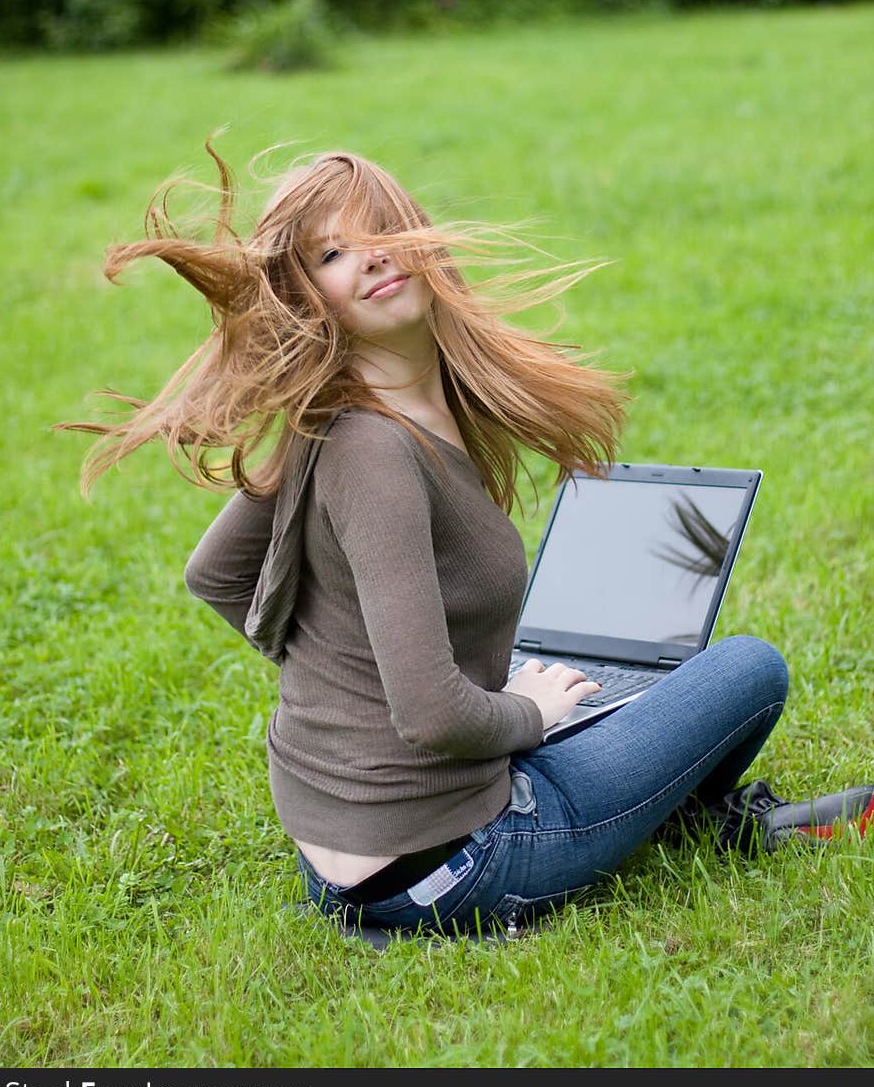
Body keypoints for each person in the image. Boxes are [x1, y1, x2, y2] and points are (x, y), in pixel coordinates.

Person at [57, 142, 873, 940]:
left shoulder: (340, 416)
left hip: (347, 858)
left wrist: (352, 694)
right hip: (459, 866)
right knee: (745, 668)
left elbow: (216, 576)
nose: (371, 259)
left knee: (640, 687)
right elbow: (434, 716)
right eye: (334, 254)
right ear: (309, 298)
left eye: (381, 232)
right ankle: (716, 824)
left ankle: (693, 812)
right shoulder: (372, 448)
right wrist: (527, 713)